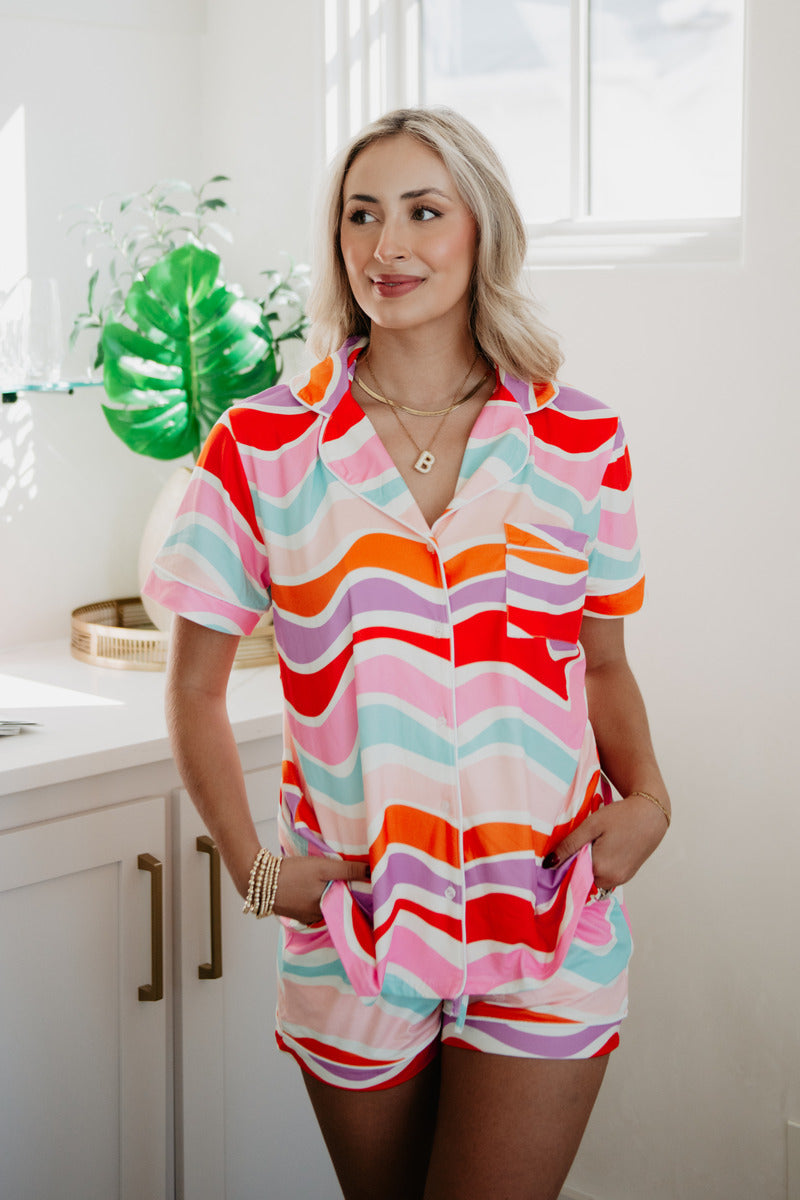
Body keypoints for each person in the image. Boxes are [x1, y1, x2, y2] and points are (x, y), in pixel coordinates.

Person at [145, 107, 670, 1200]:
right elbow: (194, 684)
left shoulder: (580, 440)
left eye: (423, 213)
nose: (389, 246)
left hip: (545, 909)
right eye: (361, 216)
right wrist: (253, 868)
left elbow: (601, 661)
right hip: (359, 924)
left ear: (480, 230)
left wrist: (652, 799)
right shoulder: (262, 446)